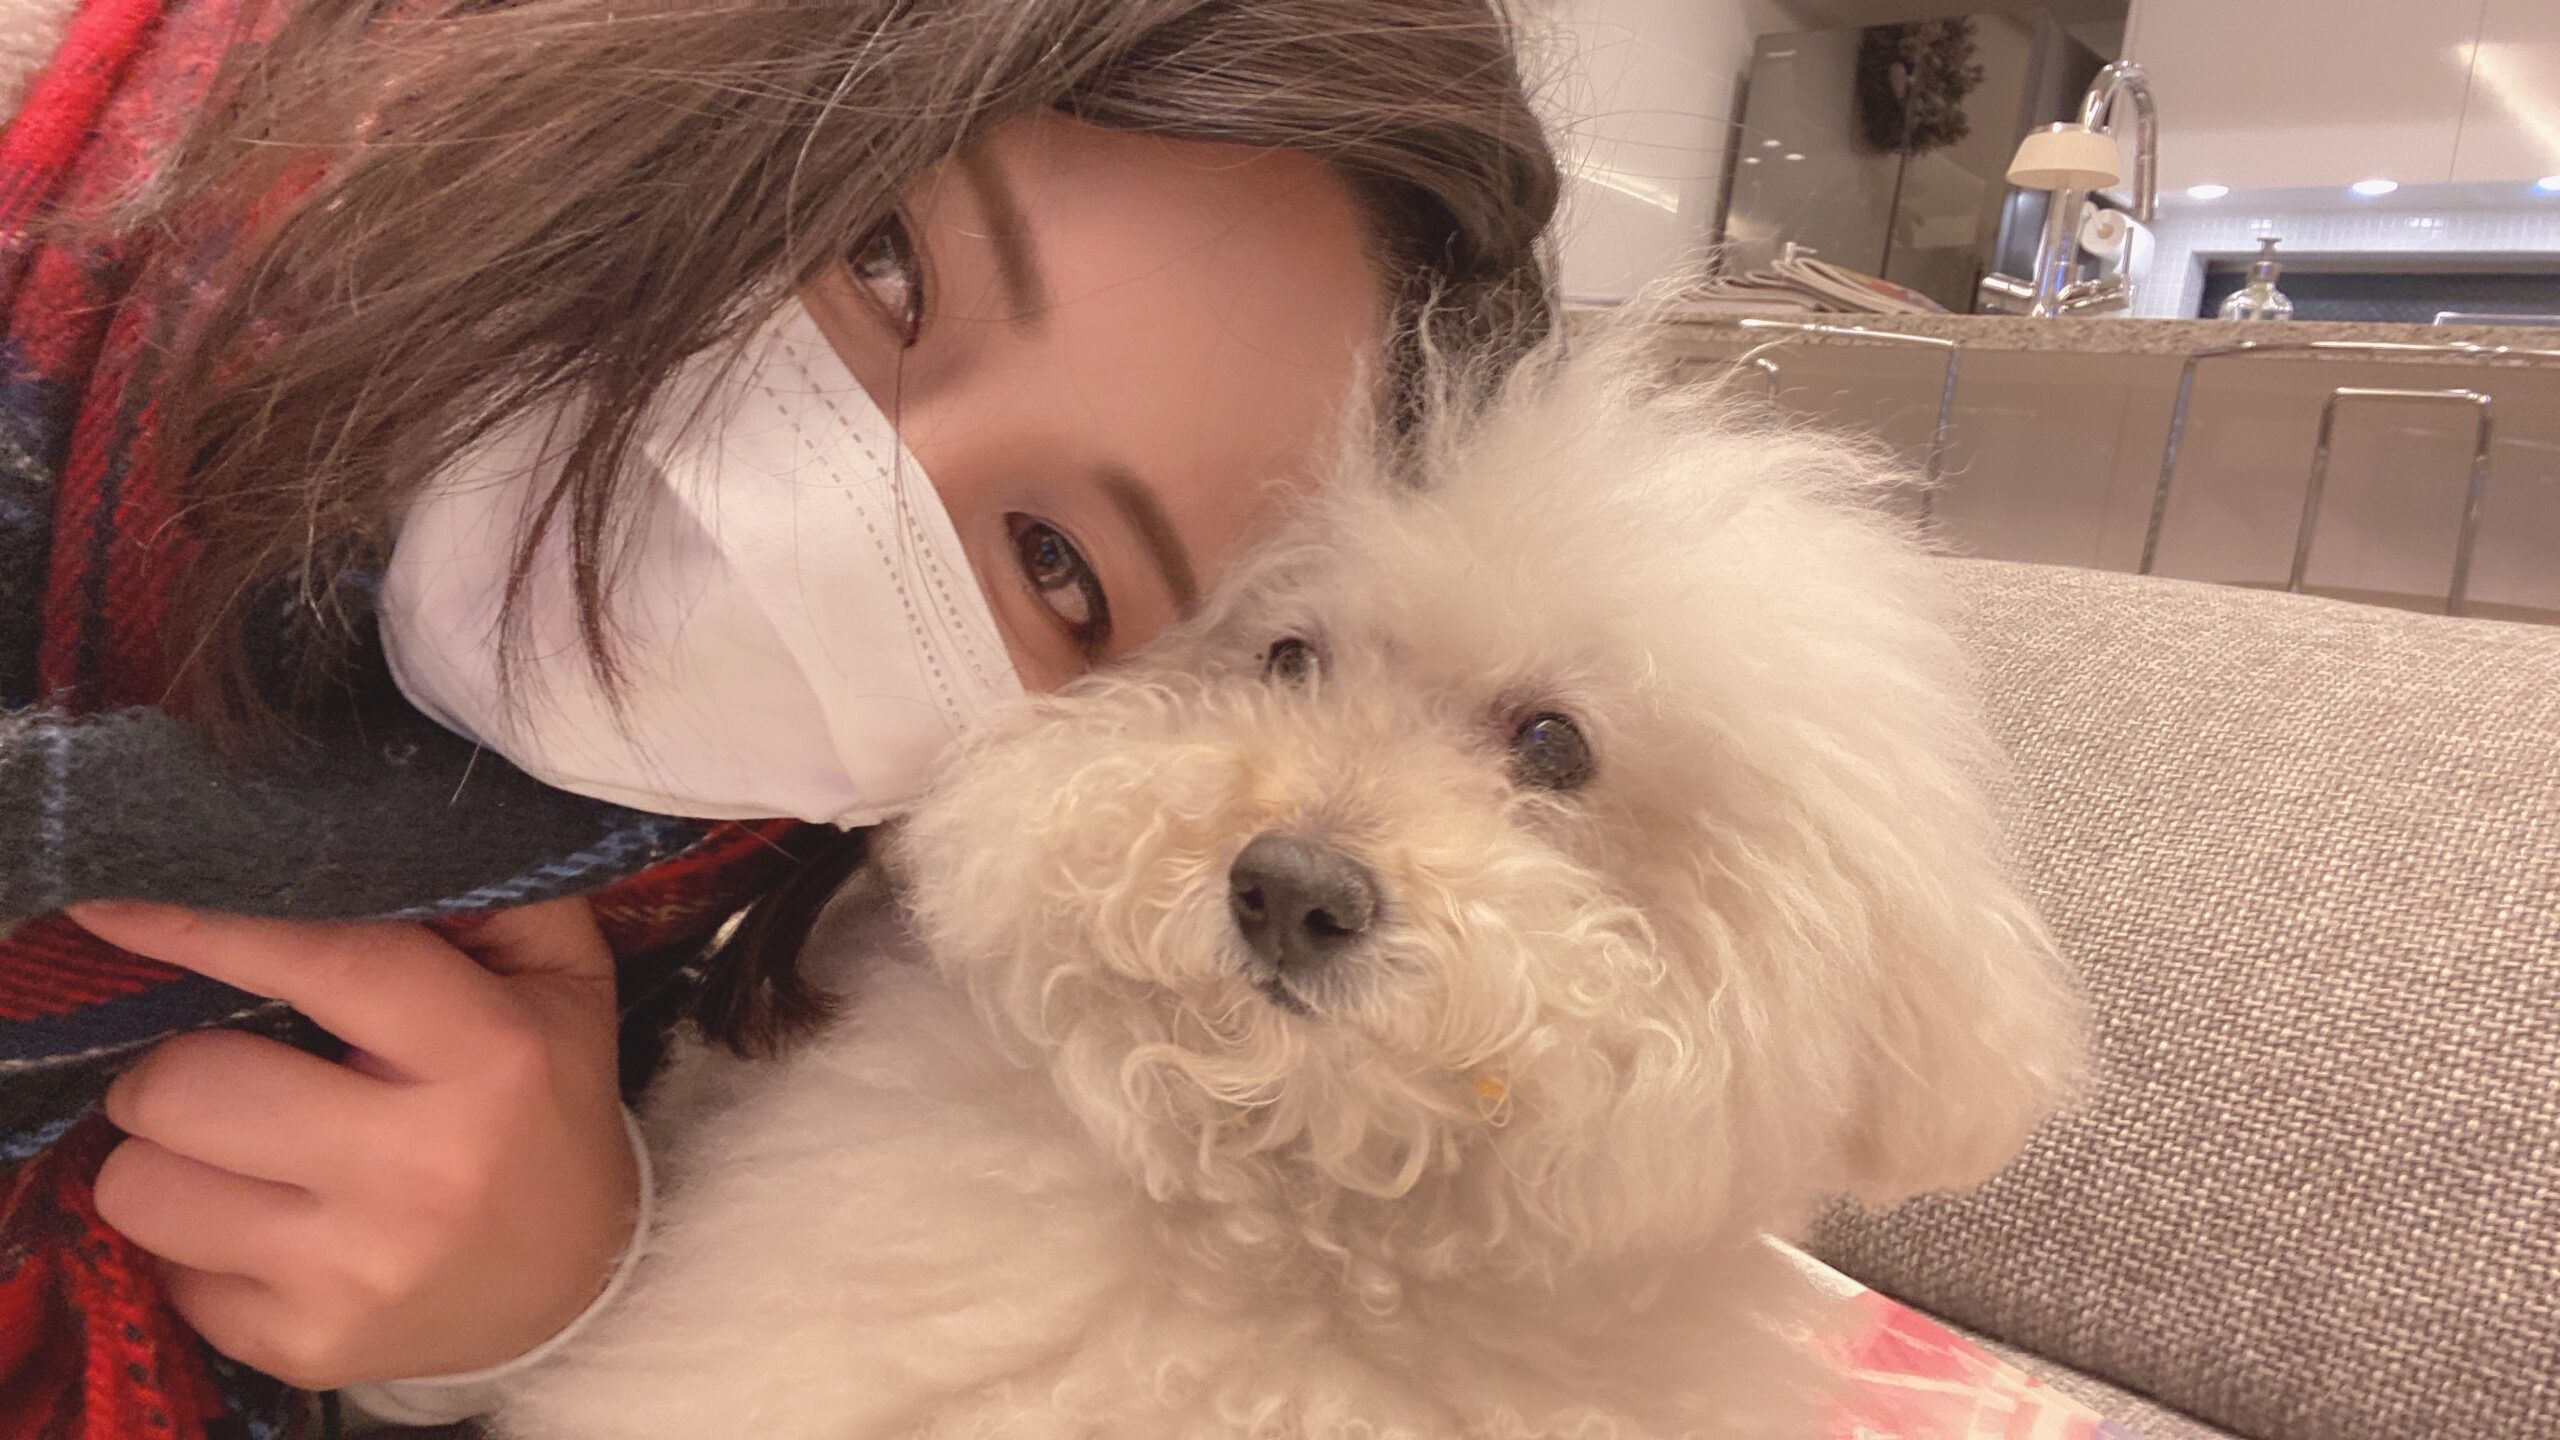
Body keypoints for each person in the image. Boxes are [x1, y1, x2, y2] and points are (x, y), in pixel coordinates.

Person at [0, 0, 1559, 1433]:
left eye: (1055, 565)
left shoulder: (668, 940)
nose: (825, 521)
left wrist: (531, 1317)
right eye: (885, 262)